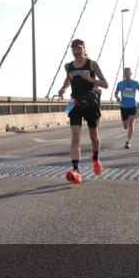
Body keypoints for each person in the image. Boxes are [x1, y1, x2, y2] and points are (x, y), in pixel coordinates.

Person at [57, 39, 108, 184]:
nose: (75, 51)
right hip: (75, 103)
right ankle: (76, 170)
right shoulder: (68, 66)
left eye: (78, 48)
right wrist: (64, 88)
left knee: (94, 137)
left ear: (84, 49)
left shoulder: (92, 64)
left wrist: (91, 79)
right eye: (73, 48)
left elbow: (105, 84)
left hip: (91, 104)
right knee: (75, 138)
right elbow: (69, 79)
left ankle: (96, 158)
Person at [114, 67, 139, 148]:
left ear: (131, 73)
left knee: (130, 124)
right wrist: (117, 97)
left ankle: (128, 142)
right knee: (125, 126)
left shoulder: (135, 83)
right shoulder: (120, 83)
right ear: (124, 74)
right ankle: (128, 136)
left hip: (133, 106)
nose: (126, 74)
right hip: (123, 106)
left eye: (128, 73)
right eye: (125, 73)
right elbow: (116, 93)